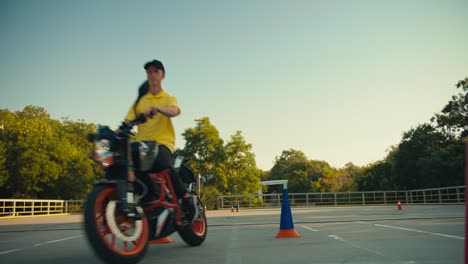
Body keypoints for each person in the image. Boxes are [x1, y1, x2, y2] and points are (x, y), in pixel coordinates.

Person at [124, 59, 197, 221]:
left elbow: (174, 111)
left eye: (156, 71)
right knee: (125, 165)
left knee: (163, 163)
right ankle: (148, 195)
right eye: (149, 72)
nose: (152, 75)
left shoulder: (168, 98)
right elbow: (126, 122)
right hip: (142, 145)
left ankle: (185, 196)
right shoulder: (140, 102)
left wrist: (158, 109)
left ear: (163, 75)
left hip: (163, 142)